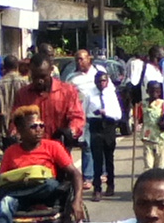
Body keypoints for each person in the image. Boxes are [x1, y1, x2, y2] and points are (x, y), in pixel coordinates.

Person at [0, 106, 85, 223]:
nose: (39, 129)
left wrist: (77, 200)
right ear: (20, 131)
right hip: (20, 200)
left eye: (41, 125)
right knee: (4, 202)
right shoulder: (11, 152)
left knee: (49, 184)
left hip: (47, 195)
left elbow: (75, 174)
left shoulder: (53, 147)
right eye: (33, 126)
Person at [11, 52, 85, 148]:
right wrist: (14, 135)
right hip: (31, 152)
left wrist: (70, 132)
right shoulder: (22, 94)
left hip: (58, 150)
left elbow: (77, 117)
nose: (39, 81)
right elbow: (15, 120)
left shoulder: (67, 92)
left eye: (43, 76)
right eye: (35, 77)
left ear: (51, 71)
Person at [66, 49, 108, 190]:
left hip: (98, 115)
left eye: (82, 59)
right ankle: (88, 177)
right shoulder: (72, 77)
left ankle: (102, 172)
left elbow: (108, 90)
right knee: (87, 145)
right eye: (77, 59)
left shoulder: (99, 71)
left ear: (89, 59)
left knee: (100, 144)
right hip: (82, 115)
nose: (79, 62)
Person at [88, 71, 122, 201]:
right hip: (95, 126)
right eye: (99, 81)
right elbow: (84, 111)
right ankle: (97, 188)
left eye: (104, 81)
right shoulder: (90, 94)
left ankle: (110, 184)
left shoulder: (111, 94)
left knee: (109, 158)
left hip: (108, 126)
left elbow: (118, 114)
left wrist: (106, 112)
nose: (101, 83)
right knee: (97, 160)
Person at [0, 55, 30, 139]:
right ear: (17, 66)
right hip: (22, 121)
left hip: (5, 123)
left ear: (4, 67)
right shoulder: (25, 82)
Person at [141, 80, 164, 169]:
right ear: (147, 91)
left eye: (157, 91)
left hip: (160, 140)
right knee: (148, 165)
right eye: (152, 91)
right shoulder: (143, 104)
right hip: (147, 139)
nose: (154, 93)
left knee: (160, 166)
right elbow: (139, 118)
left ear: (160, 92)